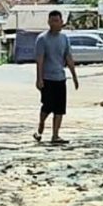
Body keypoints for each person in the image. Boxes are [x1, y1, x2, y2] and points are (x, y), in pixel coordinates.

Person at [34, 10, 79, 145]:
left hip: (60, 78)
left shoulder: (64, 38)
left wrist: (75, 77)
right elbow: (40, 60)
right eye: (52, 21)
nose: (55, 23)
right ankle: (41, 123)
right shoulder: (42, 39)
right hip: (47, 78)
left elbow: (68, 57)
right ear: (49, 22)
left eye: (57, 21)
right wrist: (39, 78)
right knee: (47, 106)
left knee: (60, 108)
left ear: (61, 22)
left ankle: (55, 135)